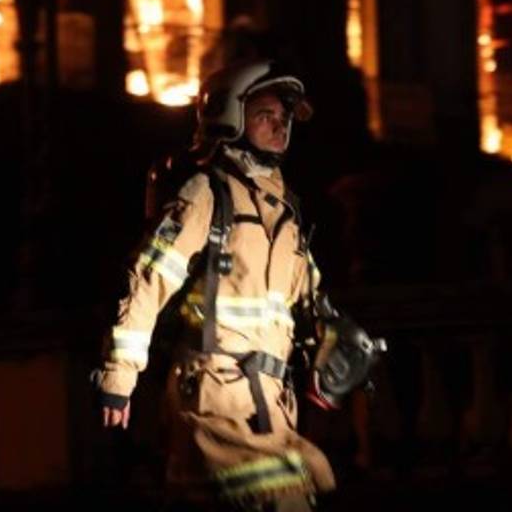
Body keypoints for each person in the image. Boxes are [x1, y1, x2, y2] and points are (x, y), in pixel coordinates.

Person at [97, 59, 335, 510]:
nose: (280, 127)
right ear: (230, 115)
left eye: (285, 119)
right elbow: (147, 280)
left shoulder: (285, 212)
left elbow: (311, 301)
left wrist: (336, 344)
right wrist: (119, 375)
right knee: (279, 501)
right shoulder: (206, 193)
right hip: (213, 393)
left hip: (273, 404)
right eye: (266, 115)